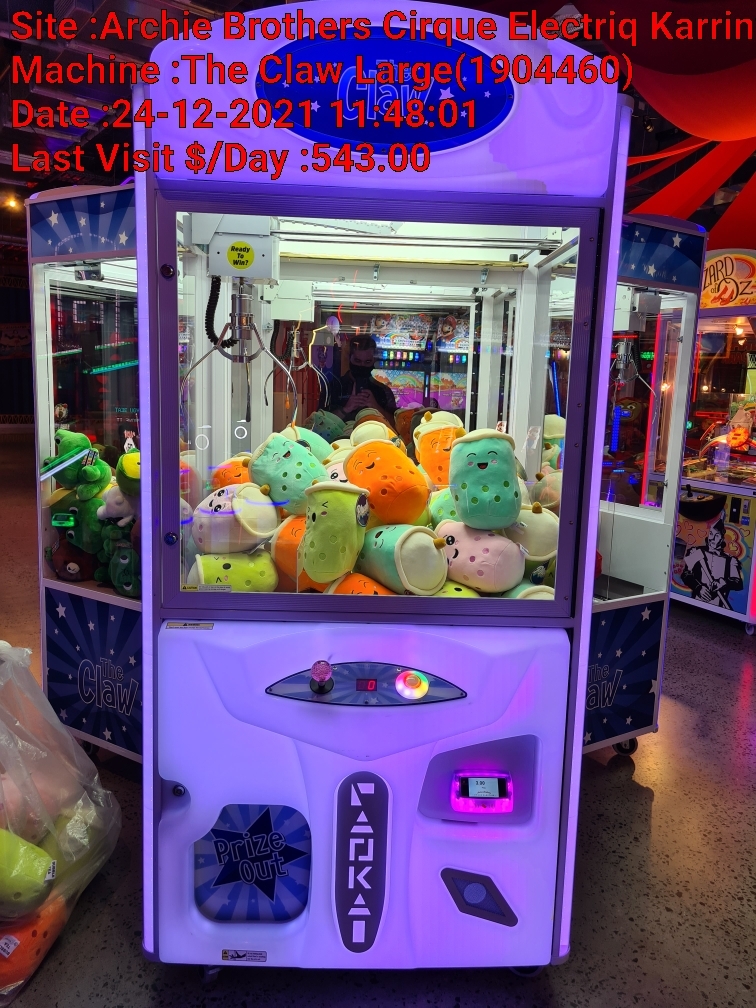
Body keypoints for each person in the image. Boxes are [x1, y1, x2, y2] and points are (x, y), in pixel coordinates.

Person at [331, 336, 397, 424]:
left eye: (367, 362)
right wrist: (345, 409)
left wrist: (375, 406)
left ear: (374, 361)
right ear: (350, 358)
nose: (362, 366)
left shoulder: (384, 391)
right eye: (357, 361)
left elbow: (395, 426)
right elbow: (319, 424)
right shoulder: (334, 387)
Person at [680, 517, 743, 609]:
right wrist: (698, 587)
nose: (712, 538)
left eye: (716, 536)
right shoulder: (696, 552)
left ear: (722, 539)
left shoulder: (730, 560)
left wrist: (723, 582)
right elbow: (685, 574)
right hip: (696, 601)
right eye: (711, 534)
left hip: (719, 606)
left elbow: (738, 583)